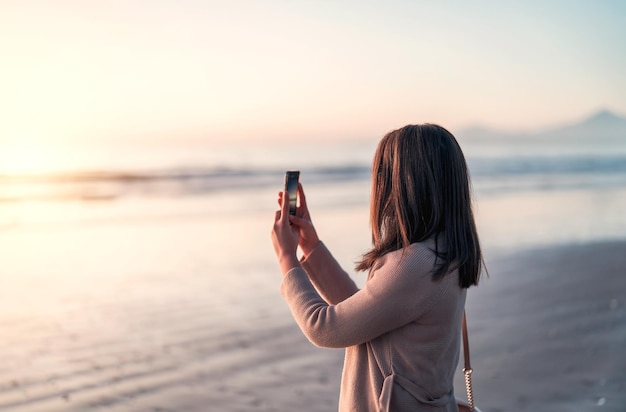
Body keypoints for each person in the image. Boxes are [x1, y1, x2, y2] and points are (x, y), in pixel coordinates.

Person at [271, 124, 485, 412]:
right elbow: (364, 315)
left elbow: (325, 327)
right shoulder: (443, 254)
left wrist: (287, 258)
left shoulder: (417, 265)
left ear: (405, 185)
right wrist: (311, 247)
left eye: (383, 173)